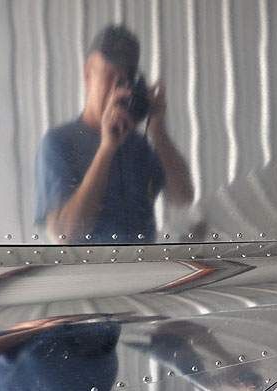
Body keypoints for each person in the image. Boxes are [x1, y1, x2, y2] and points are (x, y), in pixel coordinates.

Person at [35, 25, 192, 243]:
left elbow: (183, 198)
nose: (116, 89)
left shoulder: (138, 145)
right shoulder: (59, 143)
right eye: (109, 76)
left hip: (145, 264)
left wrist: (158, 130)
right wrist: (106, 149)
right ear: (87, 74)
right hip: (92, 266)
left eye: (124, 81)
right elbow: (65, 234)